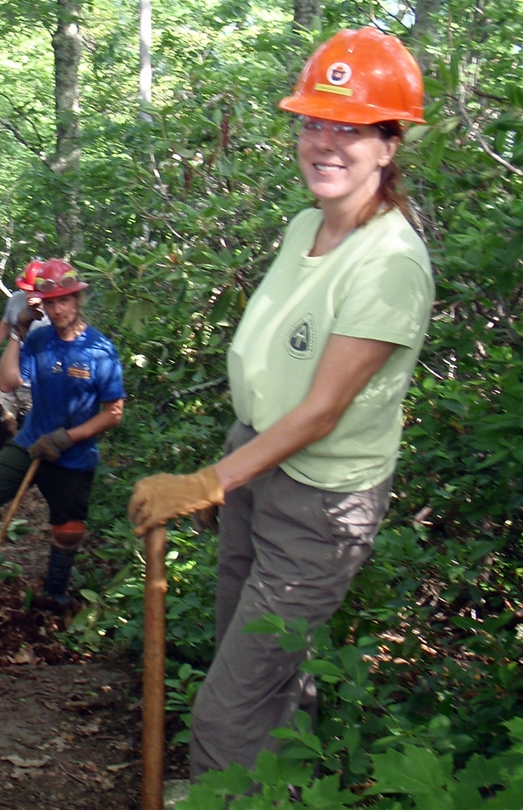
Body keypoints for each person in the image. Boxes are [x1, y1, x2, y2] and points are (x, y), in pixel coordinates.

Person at [127, 28, 433, 779]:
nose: (325, 142)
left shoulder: (390, 262)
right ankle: (289, 793)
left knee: (227, 711)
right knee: (266, 678)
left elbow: (321, 411)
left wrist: (209, 482)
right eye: (314, 122)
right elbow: (278, 372)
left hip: (321, 502)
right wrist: (233, 469)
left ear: (389, 145)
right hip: (258, 461)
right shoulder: (306, 226)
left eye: (352, 128)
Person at [0, 259, 126, 606]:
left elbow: (113, 414)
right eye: (51, 302)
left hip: (73, 455)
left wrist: (67, 438)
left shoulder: (100, 350)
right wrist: (18, 333)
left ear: (77, 300)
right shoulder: (40, 339)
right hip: (29, 444)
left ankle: (53, 596)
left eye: (65, 301)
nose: (58, 310)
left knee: (68, 531)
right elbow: (9, 381)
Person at [0, 261, 51, 462]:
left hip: (37, 376)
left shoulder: (55, 311)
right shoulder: (17, 300)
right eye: (27, 291)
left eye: (34, 292)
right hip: (10, 363)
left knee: (27, 421)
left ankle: (21, 460)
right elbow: (5, 323)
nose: (30, 297)